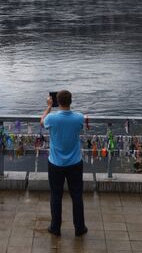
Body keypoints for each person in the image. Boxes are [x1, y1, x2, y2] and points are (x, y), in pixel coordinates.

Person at [40, 90, 88, 237]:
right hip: (75, 162)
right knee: (77, 196)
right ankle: (79, 228)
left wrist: (48, 107)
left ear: (57, 102)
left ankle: (55, 228)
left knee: (56, 196)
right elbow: (83, 121)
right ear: (71, 101)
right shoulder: (79, 117)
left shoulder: (52, 119)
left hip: (56, 163)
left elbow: (42, 121)